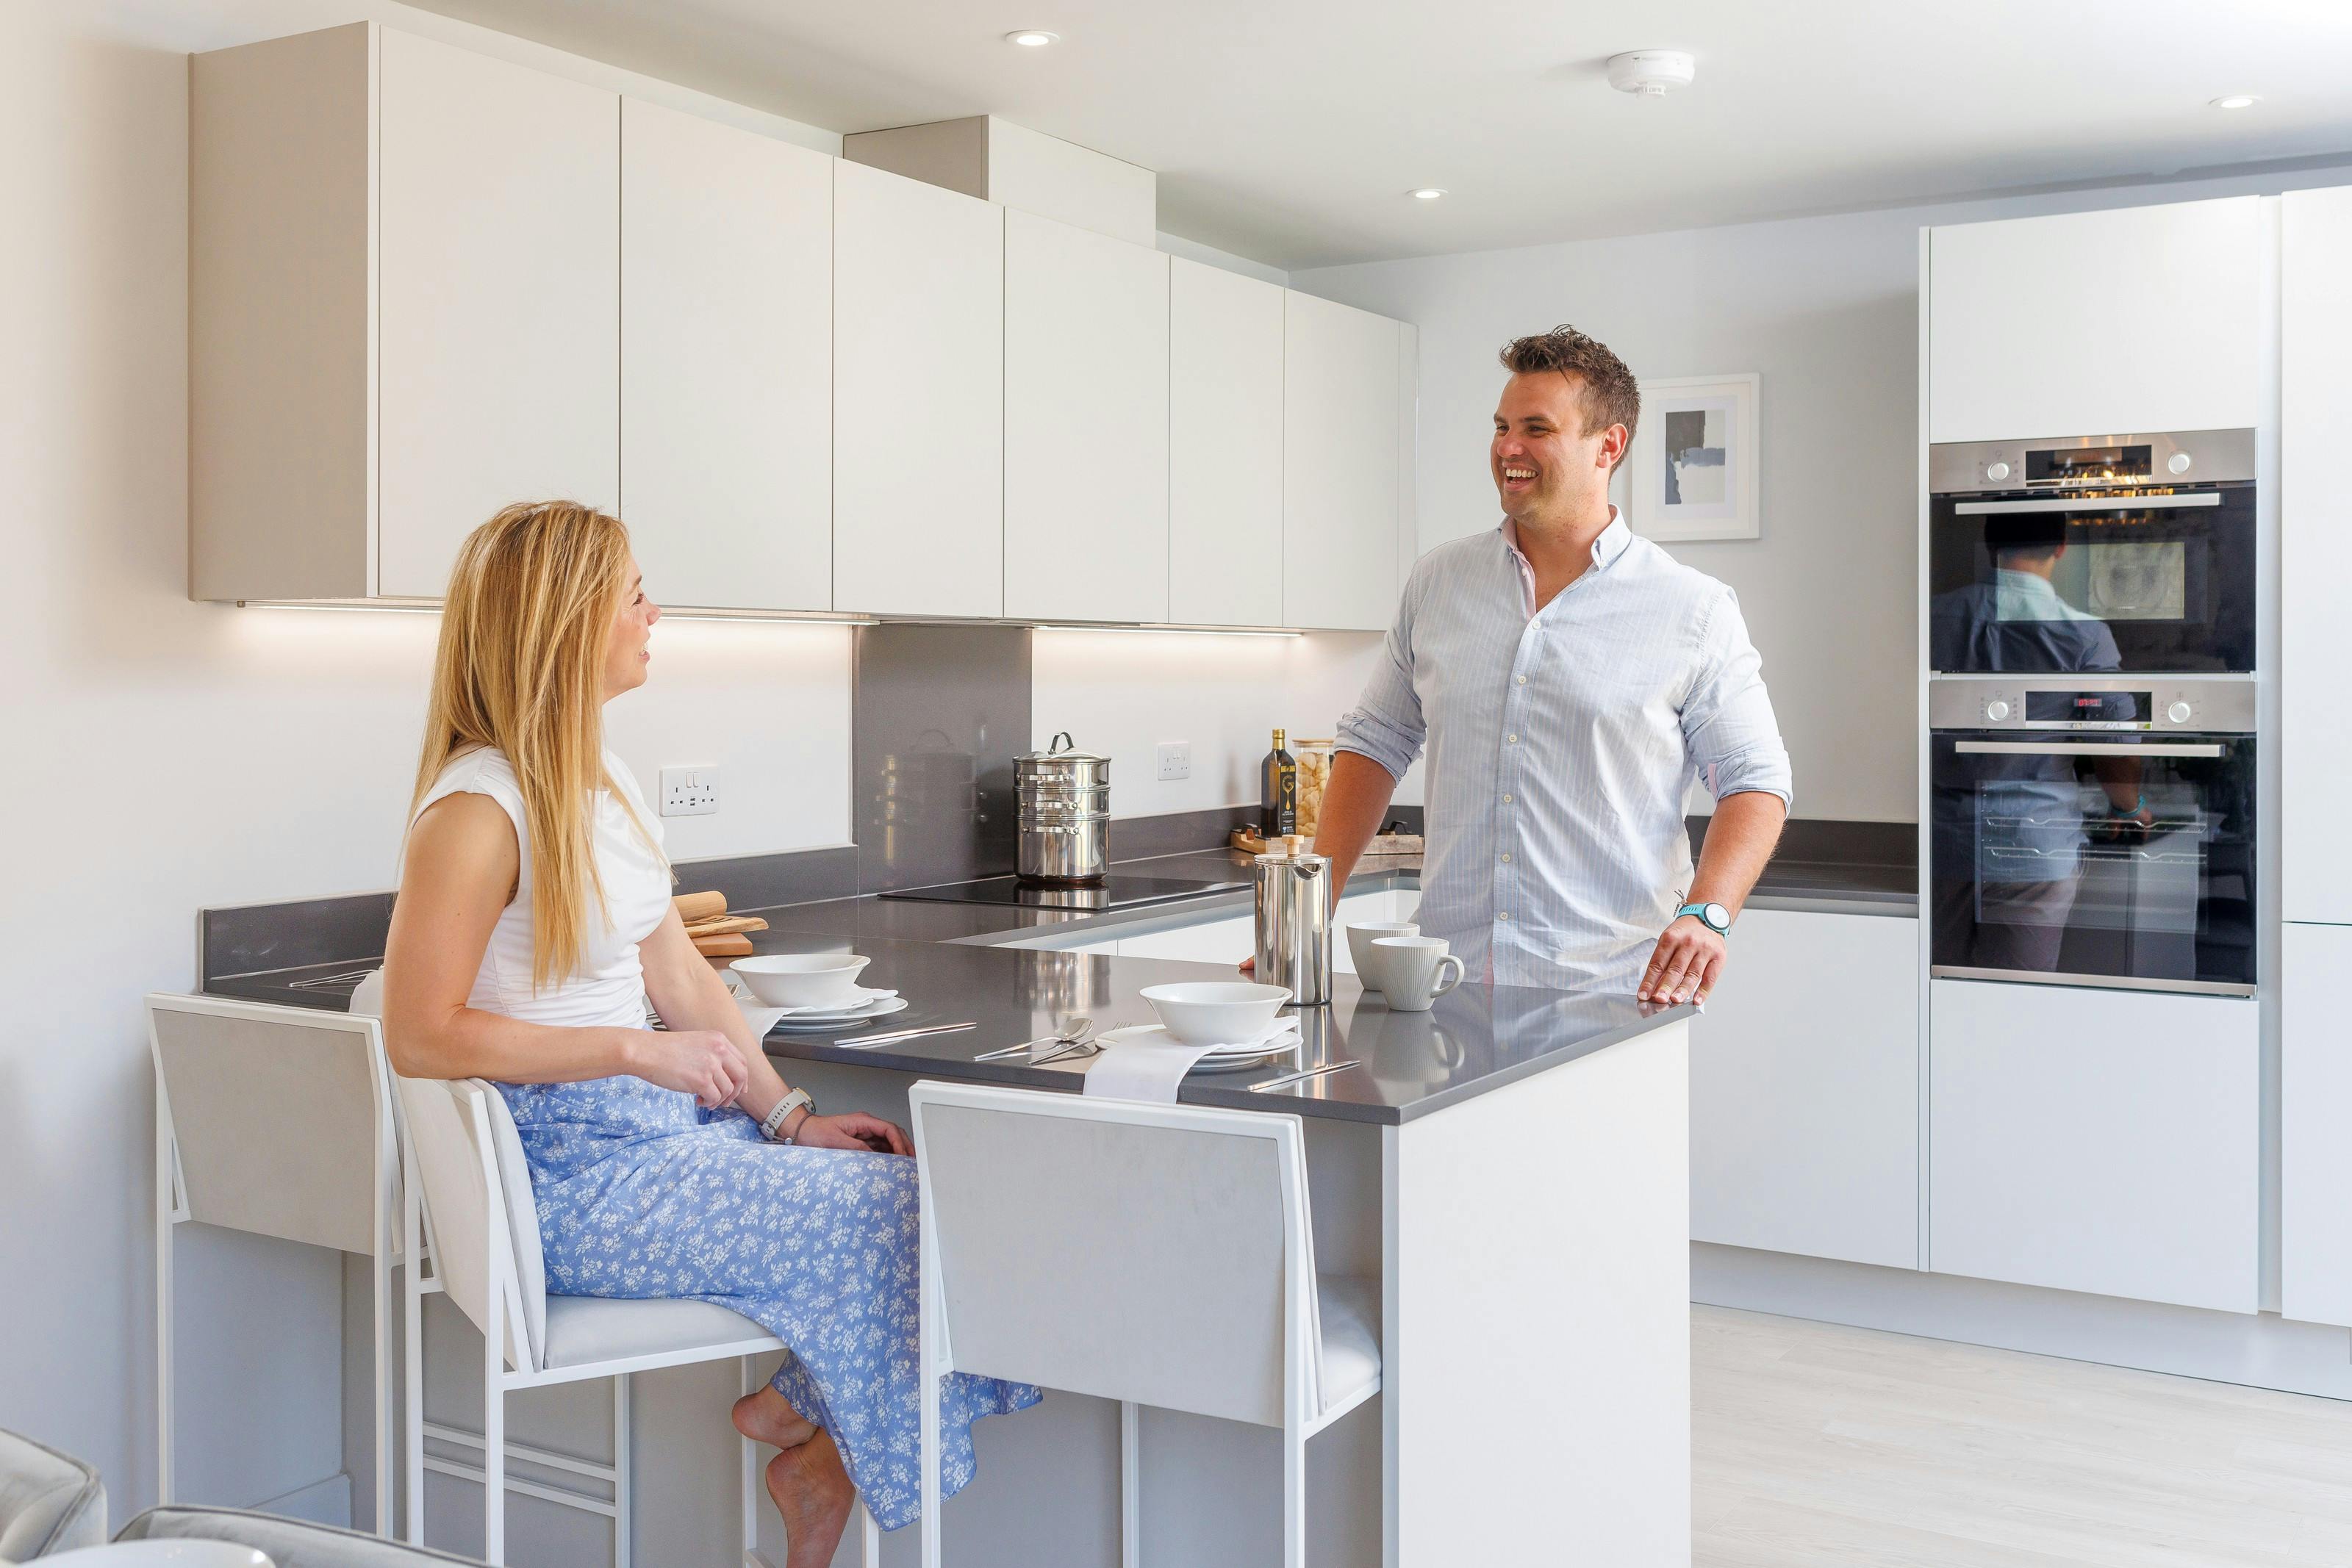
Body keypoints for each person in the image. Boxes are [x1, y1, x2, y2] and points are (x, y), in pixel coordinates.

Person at [379, 501, 1038, 1567]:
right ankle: (815, 1448)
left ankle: (811, 1438)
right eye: (630, 592)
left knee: (953, 1187)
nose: (652, 610)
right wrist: (632, 1051)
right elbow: (419, 1032)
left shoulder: (597, 779)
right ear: (565, 619)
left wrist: (787, 1116)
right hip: (576, 1176)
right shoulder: (478, 809)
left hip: (660, 1141)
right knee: (926, 1211)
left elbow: (676, 970)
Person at [1317, 325, 1793, 1005]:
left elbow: (1755, 779)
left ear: (1610, 446)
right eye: (1502, 426)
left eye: (1537, 428)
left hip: (1611, 994)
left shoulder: (1692, 609)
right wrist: (1308, 912)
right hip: (1443, 987)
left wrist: (1708, 911)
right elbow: (1375, 744)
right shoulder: (1439, 583)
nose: (1508, 448)